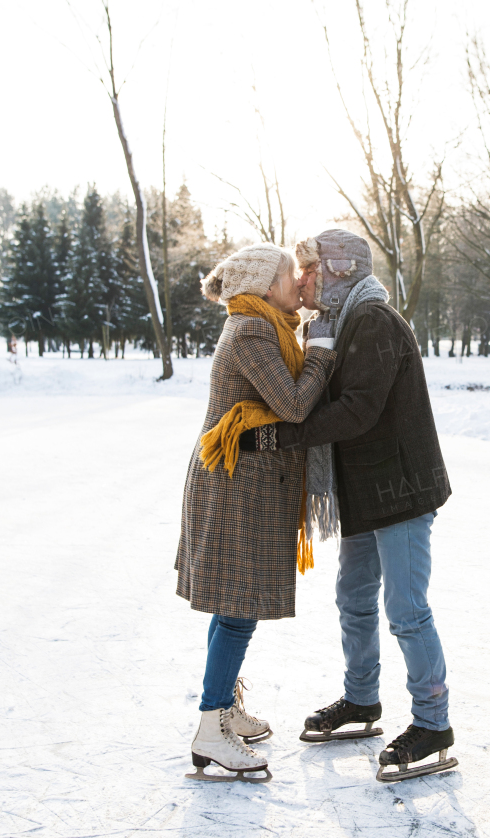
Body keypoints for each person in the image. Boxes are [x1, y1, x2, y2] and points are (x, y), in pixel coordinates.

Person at [245, 229, 456, 782]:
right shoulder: (338, 325)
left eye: (309, 269)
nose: (303, 279)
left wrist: (281, 436)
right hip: (366, 490)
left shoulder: (375, 321)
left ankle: (434, 723)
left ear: (337, 270)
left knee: (407, 610)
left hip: (402, 490)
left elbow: (358, 410)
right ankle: (362, 699)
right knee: (353, 598)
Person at [174, 243, 338, 783]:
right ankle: (210, 728)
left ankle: (222, 710)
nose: (299, 281)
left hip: (241, 482)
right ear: (266, 285)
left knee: (231, 606)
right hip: (234, 485)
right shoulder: (252, 332)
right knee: (238, 607)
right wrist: (322, 352)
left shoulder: (267, 326)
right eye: (290, 274)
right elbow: (292, 405)